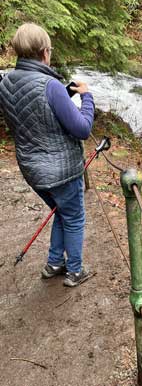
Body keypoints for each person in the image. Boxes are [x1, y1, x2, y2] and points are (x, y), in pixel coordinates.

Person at [0, 23, 95, 287]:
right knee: (73, 216)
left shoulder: (6, 83)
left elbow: (31, 110)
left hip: (33, 171)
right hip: (62, 171)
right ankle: (75, 270)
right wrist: (87, 98)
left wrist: (62, 96)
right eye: (49, 50)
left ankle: (54, 263)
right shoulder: (50, 86)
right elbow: (83, 129)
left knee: (61, 211)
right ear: (44, 52)